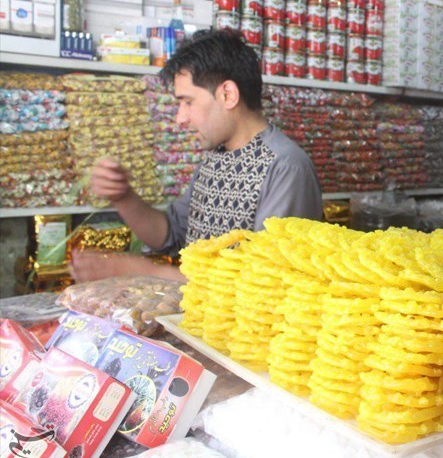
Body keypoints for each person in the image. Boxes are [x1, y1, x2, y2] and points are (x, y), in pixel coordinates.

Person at [69, 29, 323, 283]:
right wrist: (124, 197)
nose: (180, 118)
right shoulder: (216, 158)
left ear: (228, 95)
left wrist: (140, 271)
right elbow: (170, 234)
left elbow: (264, 281)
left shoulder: (286, 167)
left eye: (187, 102)